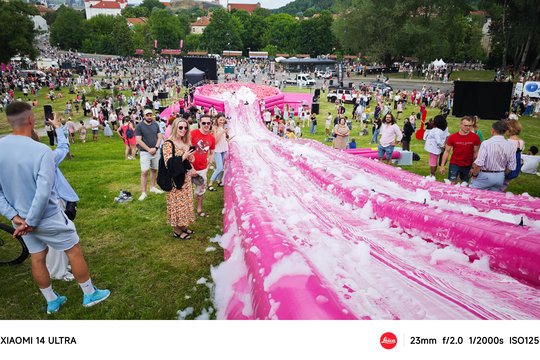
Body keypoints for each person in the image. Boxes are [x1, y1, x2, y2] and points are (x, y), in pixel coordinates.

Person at [0, 102, 110, 314]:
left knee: (37, 257)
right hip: (45, 217)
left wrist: (15, 217)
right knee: (73, 250)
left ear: (8, 121)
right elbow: (43, 192)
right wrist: (29, 221)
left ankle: (52, 301)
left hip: (21, 219)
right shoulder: (41, 151)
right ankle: (89, 294)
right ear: (31, 120)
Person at [163, 118, 196, 240]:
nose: (183, 130)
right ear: (175, 127)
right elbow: (168, 164)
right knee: (176, 204)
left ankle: (182, 226)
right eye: (180, 127)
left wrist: (190, 156)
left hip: (185, 178)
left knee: (185, 203)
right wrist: (184, 156)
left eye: (185, 127)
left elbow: (190, 160)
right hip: (174, 180)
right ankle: (176, 230)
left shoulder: (185, 142)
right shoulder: (168, 143)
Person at [470, 120, 516, 191]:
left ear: (493, 130)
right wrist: (501, 174)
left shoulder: (486, 143)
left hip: (485, 175)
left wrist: (474, 174)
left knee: (472, 194)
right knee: (492, 199)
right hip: (500, 176)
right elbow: (511, 166)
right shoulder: (510, 145)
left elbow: (479, 163)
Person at [439, 116, 481, 184]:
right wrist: (442, 165)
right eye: (466, 125)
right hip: (455, 164)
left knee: (464, 184)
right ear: (460, 125)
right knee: (451, 183)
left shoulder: (475, 137)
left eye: (470, 126)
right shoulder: (452, 137)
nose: (468, 128)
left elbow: (476, 153)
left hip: (468, 165)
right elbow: (446, 151)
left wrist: (473, 167)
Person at [135, 109, 164, 201]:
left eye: (150, 115)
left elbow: (159, 137)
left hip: (155, 150)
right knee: (144, 172)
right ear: (144, 116)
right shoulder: (139, 126)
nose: (149, 117)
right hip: (144, 152)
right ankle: (143, 192)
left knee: (154, 169)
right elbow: (138, 140)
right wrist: (148, 149)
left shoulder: (156, 124)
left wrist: (155, 148)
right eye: (147, 115)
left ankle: (153, 187)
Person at [190, 114, 216, 218]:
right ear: (199, 123)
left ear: (211, 124)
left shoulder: (211, 138)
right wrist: (190, 166)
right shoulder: (193, 133)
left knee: (200, 191)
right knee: (187, 190)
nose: (206, 125)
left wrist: (210, 161)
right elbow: (185, 147)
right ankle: (188, 209)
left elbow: (212, 150)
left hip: (202, 168)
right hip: (188, 167)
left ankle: (199, 209)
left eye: (208, 123)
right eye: (203, 123)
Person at [500, 118, 525, 191]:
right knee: (506, 181)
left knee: (501, 181)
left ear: (509, 130)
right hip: (515, 165)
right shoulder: (521, 142)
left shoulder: (507, 142)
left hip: (506, 165)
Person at [208, 113, 229, 190]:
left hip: (224, 148)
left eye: (223, 120)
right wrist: (222, 132)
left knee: (221, 167)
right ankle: (210, 183)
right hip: (217, 150)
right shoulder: (214, 128)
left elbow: (223, 139)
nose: (222, 121)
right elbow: (215, 141)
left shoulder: (223, 127)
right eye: (220, 120)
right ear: (217, 119)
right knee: (219, 168)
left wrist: (227, 139)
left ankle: (219, 181)